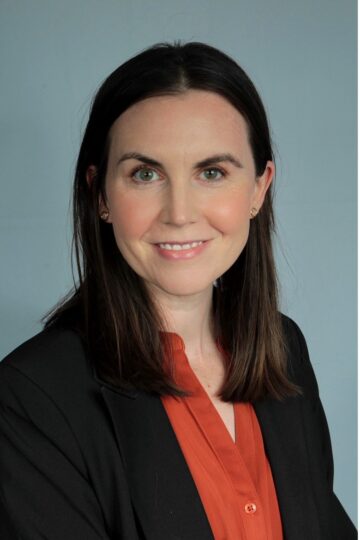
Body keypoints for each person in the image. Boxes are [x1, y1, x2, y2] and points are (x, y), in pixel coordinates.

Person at [0, 41, 356, 540]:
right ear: (100, 193)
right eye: (145, 174)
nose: (180, 212)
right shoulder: (31, 398)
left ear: (258, 188)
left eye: (212, 173)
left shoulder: (285, 350)